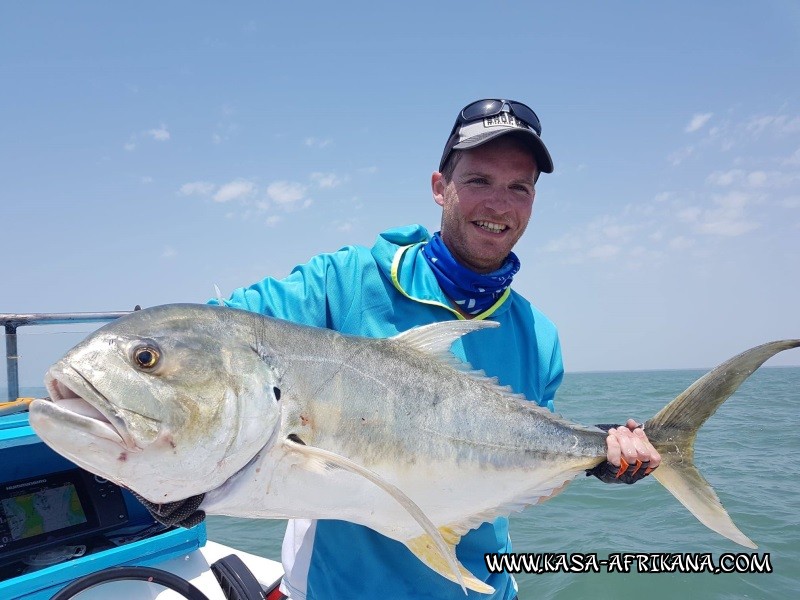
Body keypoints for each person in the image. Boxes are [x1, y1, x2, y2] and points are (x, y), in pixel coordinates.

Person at [211, 99, 661, 599]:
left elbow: (524, 460)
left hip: (478, 587)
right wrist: (182, 476)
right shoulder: (344, 284)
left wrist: (595, 453)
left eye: (519, 187)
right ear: (439, 187)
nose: (498, 204)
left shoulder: (538, 336)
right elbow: (214, 338)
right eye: (478, 181)